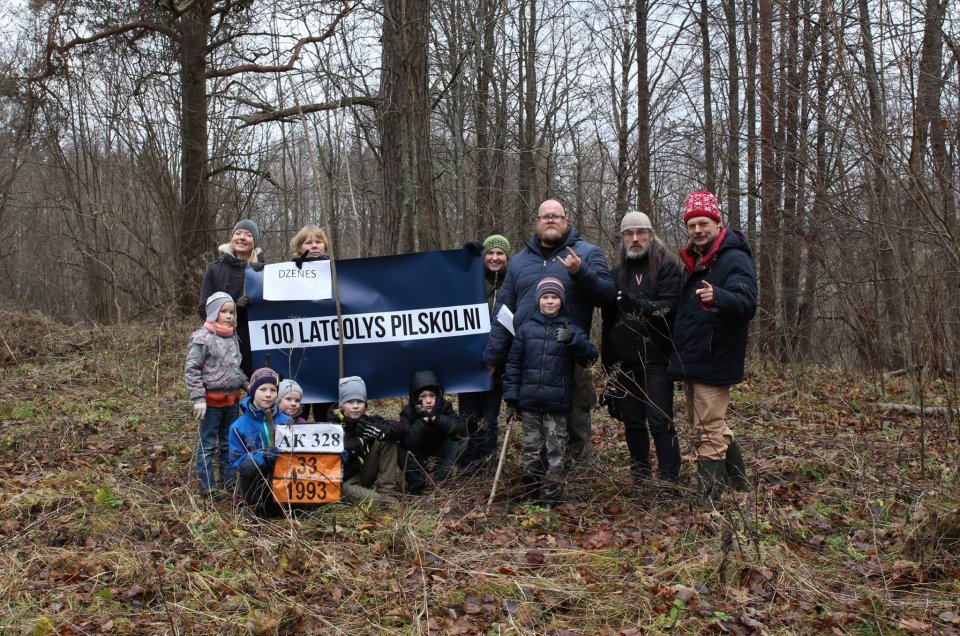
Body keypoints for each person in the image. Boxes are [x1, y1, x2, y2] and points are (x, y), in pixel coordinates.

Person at [484, 200, 615, 468]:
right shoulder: (520, 261)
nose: (551, 220)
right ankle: (540, 482)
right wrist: (494, 356)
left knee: (576, 424)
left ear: (566, 221)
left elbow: (607, 296)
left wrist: (580, 271)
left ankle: (578, 485)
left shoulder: (587, 254)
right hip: (530, 360)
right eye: (545, 217)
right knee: (534, 426)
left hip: (570, 357)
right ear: (537, 222)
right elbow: (503, 313)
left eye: (557, 216)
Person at [669, 191, 756, 505]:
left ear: (716, 223)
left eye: (703, 223)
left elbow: (747, 303)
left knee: (708, 430)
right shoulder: (695, 260)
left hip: (716, 357)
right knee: (708, 424)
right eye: (691, 225)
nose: (697, 230)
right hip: (695, 358)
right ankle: (741, 486)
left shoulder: (734, 258)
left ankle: (707, 505)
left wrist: (719, 296)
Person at [600, 212, 683, 487]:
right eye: (628, 234)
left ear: (650, 234)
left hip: (658, 360)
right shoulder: (616, 273)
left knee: (660, 421)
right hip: (625, 363)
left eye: (640, 232)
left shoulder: (667, 267)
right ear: (622, 239)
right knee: (632, 422)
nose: (635, 239)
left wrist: (641, 306)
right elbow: (608, 321)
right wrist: (607, 366)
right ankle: (641, 478)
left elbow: (670, 306)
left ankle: (669, 480)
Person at [503, 278, 598, 509]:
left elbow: (591, 356)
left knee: (556, 450)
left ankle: (551, 497)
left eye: (554, 297)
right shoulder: (526, 329)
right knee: (531, 450)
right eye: (545, 297)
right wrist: (511, 399)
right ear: (538, 300)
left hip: (557, 403)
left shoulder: (571, 328)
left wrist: (573, 340)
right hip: (529, 403)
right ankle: (532, 494)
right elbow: (513, 366)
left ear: (561, 301)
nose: (550, 301)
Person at [184, 291, 247, 498]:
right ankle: (208, 487)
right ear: (213, 313)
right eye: (224, 312)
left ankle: (229, 483)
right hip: (210, 404)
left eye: (232, 312)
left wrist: (248, 385)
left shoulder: (233, 337)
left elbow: (235, 367)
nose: (229, 316)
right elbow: (192, 369)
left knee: (229, 443)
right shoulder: (202, 338)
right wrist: (198, 399)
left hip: (232, 401)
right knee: (208, 445)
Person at [458, 234, 511, 469]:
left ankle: (488, 462)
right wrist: (464, 256)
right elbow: (450, 279)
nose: (495, 258)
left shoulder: (513, 282)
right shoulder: (471, 279)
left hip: (498, 363)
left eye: (500, 253)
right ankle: (469, 461)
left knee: (490, 417)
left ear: (507, 257)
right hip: (468, 360)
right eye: (490, 253)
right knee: (468, 415)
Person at [198, 220, 264, 377]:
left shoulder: (264, 271)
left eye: (248, 235)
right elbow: (203, 310)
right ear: (231, 237)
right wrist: (234, 308)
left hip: (255, 345)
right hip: (220, 343)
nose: (242, 238)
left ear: (254, 242)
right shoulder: (214, 269)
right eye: (238, 233)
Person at [228, 367, 292, 517]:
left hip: (283, 482)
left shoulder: (287, 421)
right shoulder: (238, 426)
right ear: (253, 392)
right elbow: (236, 460)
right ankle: (255, 512)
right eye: (262, 389)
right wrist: (262, 457)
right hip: (257, 484)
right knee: (250, 465)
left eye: (272, 390)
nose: (268, 395)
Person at [289, 224, 336, 422]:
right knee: (297, 411)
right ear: (299, 247)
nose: (314, 245)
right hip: (298, 352)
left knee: (325, 413)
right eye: (308, 242)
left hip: (328, 352)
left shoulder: (336, 271)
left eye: (318, 242)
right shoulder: (287, 274)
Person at [332, 376, 406, 503]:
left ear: (365, 405)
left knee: (386, 438)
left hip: (363, 474)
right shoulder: (332, 424)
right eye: (350, 402)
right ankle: (382, 500)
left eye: (359, 402)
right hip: (343, 480)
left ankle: (387, 490)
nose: (355, 406)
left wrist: (381, 432)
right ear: (342, 404)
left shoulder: (368, 421)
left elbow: (401, 429)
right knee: (372, 499)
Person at [399, 370, 470, 494]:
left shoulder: (444, 406)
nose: (428, 400)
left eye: (432, 396)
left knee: (461, 443)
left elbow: (462, 429)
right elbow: (408, 442)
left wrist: (438, 419)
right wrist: (423, 421)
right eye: (423, 396)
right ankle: (417, 485)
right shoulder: (408, 412)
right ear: (416, 398)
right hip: (419, 455)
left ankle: (439, 479)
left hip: (440, 452)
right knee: (400, 448)